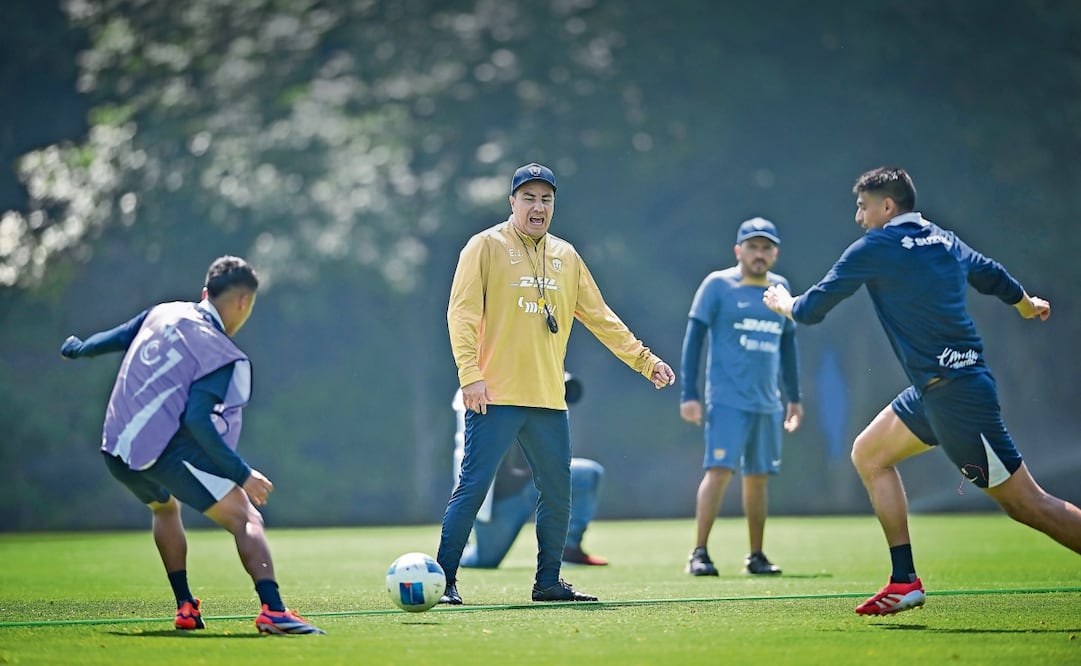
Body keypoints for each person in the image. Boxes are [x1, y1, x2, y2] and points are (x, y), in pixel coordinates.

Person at [763, 166, 1081, 615]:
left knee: (1029, 505)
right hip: (937, 393)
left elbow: (813, 309)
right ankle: (904, 580)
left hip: (958, 398)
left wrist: (782, 303)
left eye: (862, 206)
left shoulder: (874, 248)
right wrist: (1027, 305)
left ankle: (905, 580)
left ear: (886, 206)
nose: (858, 216)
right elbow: (991, 274)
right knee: (869, 453)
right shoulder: (945, 239)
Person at [439, 162, 676, 605]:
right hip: (494, 396)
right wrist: (470, 376)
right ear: (512, 202)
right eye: (528, 197)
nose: (538, 206)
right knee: (472, 487)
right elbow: (462, 314)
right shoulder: (484, 246)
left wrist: (645, 360)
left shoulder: (567, 256)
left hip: (548, 401)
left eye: (546, 199)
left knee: (558, 492)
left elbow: (601, 318)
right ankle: (446, 580)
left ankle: (548, 582)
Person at [60, 256, 324, 635]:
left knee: (165, 508)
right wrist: (242, 474)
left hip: (114, 447)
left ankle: (185, 606)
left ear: (204, 294)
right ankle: (274, 611)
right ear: (243, 303)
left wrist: (81, 348)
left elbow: (120, 337)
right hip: (161, 453)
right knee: (245, 518)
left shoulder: (163, 312)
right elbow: (198, 421)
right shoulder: (218, 351)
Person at [679, 217, 803, 577]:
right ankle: (699, 553)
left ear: (775, 253)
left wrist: (794, 397)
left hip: (767, 402)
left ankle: (756, 556)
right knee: (718, 471)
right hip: (727, 399)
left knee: (759, 476)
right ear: (739, 251)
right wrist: (689, 394)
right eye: (753, 247)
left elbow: (788, 344)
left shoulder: (780, 288)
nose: (759, 254)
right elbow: (694, 340)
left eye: (766, 248)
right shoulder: (717, 286)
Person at [454, 374, 608, 569]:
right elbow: (466, 464)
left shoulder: (545, 403)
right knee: (483, 561)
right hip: (501, 501)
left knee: (587, 473)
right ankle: (460, 550)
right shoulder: (485, 393)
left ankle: (568, 549)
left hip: (532, 484)